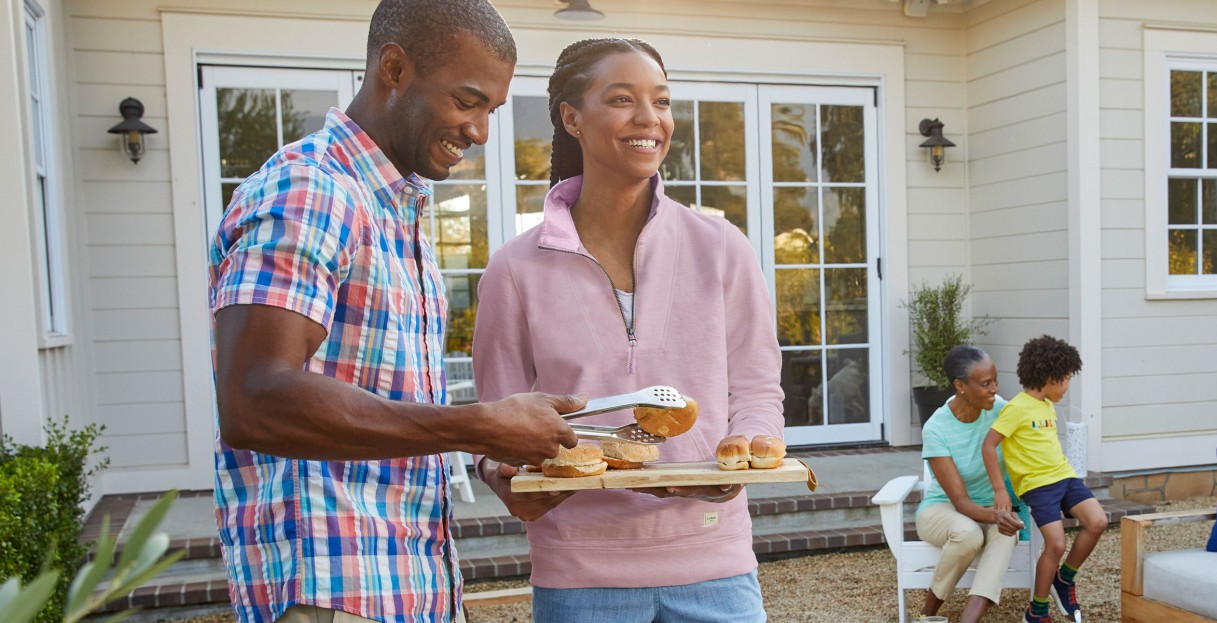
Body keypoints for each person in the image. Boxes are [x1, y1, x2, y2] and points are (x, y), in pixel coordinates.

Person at [207, 2, 585, 622]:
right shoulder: (313, 190)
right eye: (467, 101)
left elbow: (386, 404)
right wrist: (479, 424)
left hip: (405, 581)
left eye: (490, 111)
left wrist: (493, 457)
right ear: (394, 68)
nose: (481, 132)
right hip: (333, 585)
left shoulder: (391, 205)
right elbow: (254, 398)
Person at [471, 38, 784, 623]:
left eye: (661, 102)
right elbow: (499, 422)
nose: (650, 119)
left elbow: (757, 388)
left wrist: (746, 451)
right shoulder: (514, 269)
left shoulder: (721, 249)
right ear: (571, 117)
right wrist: (503, 476)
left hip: (716, 563)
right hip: (581, 574)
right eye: (622, 99)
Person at [982, 335, 1106, 623]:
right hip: (1037, 487)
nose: (1067, 385)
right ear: (1051, 377)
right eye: (1066, 378)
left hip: (1064, 477)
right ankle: (1036, 611)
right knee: (1056, 544)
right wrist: (1000, 489)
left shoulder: (1047, 406)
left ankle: (1064, 580)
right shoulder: (1016, 408)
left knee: (1098, 521)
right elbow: (989, 445)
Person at [916, 345, 1025, 623]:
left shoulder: (1003, 411)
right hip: (943, 510)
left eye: (995, 381)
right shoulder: (937, 428)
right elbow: (961, 502)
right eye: (986, 383)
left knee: (1005, 534)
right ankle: (927, 615)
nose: (995, 389)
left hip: (991, 508)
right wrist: (998, 515)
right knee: (969, 533)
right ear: (960, 386)